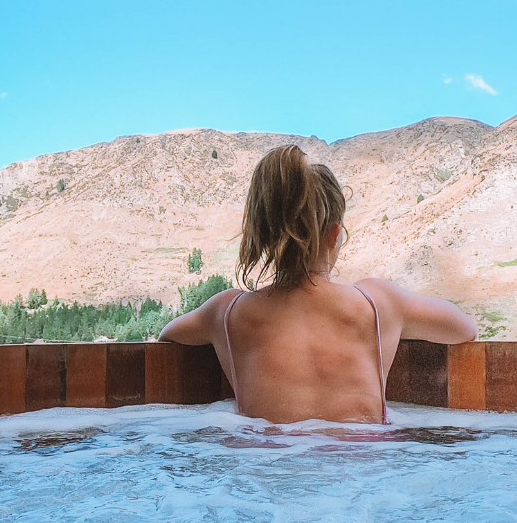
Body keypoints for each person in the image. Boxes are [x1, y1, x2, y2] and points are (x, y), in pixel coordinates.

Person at [159, 144, 477, 423]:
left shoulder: (227, 313)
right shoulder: (378, 303)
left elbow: (168, 335)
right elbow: (463, 328)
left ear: (264, 233)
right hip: (364, 468)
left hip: (266, 462)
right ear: (335, 234)